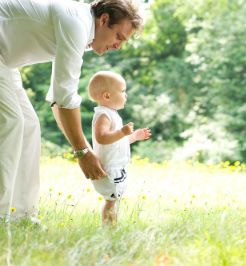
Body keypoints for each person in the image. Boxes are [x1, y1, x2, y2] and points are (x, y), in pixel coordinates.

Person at [0, 0, 143, 221]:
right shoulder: (75, 23)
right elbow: (65, 97)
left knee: (29, 126)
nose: (118, 46)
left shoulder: (80, 30)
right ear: (104, 20)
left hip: (5, 62)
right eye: (119, 37)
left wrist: (84, 150)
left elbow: (58, 100)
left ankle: (22, 216)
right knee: (12, 122)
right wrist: (82, 152)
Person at [88, 71, 151, 225]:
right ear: (107, 96)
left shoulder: (112, 114)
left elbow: (116, 142)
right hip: (108, 169)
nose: (126, 95)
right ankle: (109, 229)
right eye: (122, 91)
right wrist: (122, 132)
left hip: (117, 167)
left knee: (114, 201)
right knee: (111, 201)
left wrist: (133, 137)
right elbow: (101, 137)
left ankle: (111, 227)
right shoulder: (104, 115)